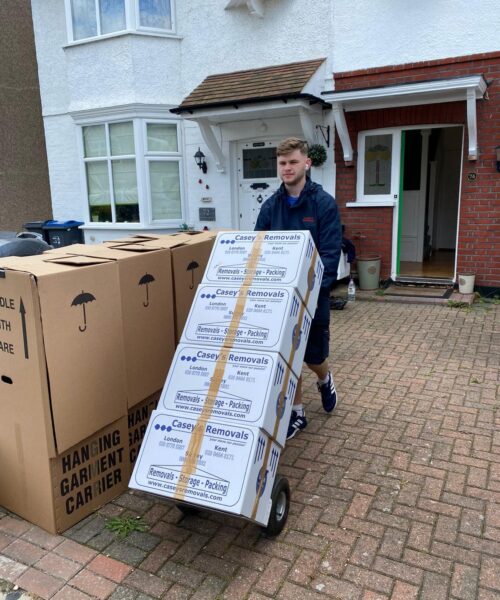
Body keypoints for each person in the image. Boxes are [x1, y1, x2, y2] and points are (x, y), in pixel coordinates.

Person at [255, 137, 342, 439]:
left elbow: (330, 255)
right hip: (278, 298)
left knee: (312, 356)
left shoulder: (323, 204)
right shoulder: (270, 208)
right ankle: (298, 413)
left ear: (307, 163)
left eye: (293, 162)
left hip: (313, 297)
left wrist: (314, 293)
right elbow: (258, 250)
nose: (287, 168)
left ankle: (325, 377)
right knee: (288, 358)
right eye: (282, 163)